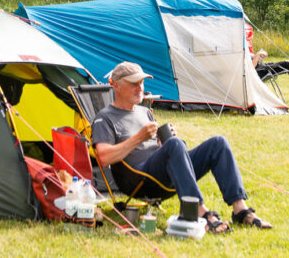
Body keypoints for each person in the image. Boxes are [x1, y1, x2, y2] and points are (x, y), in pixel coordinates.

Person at [91, 61, 272, 234]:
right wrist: (139, 138)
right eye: (134, 84)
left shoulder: (144, 111)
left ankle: (240, 210)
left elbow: (157, 145)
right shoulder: (105, 118)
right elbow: (104, 157)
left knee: (218, 143)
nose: (140, 88)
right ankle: (197, 211)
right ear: (116, 86)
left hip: (164, 170)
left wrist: (162, 142)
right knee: (174, 145)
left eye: (141, 83)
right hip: (138, 179)